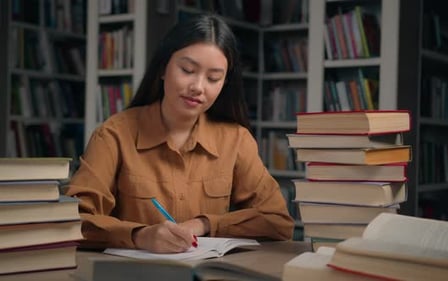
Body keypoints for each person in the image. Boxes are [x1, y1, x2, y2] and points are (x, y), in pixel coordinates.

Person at [66, 14, 295, 254]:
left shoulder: (235, 140)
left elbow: (278, 222)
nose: (198, 86)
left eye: (213, 78)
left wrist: (205, 224)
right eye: (187, 70)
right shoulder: (114, 135)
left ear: (224, 84)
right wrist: (139, 235)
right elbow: (75, 220)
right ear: (163, 68)